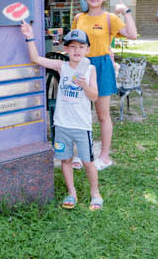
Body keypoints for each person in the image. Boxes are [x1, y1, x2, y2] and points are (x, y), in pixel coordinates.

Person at [21, 24, 102, 210]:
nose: (77, 50)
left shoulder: (90, 69)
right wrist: (30, 36)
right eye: (73, 46)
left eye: (81, 47)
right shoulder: (61, 66)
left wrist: (85, 87)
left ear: (87, 49)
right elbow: (35, 58)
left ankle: (95, 193)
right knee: (65, 160)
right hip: (62, 125)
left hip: (82, 126)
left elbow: (94, 96)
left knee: (88, 162)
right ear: (65, 49)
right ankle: (71, 192)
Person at [73, 0, 137, 170]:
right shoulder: (78, 18)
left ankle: (104, 156)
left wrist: (126, 11)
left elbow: (132, 34)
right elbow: (74, 44)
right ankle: (82, 153)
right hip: (81, 66)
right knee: (79, 113)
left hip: (102, 67)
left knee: (102, 114)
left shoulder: (110, 18)